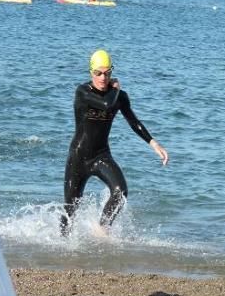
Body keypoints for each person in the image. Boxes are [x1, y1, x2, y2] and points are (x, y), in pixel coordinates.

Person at [60, 49, 169, 237]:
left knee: (120, 191)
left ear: (111, 71)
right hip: (79, 157)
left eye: (107, 73)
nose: (103, 78)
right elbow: (106, 105)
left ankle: (102, 229)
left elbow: (133, 121)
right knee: (71, 208)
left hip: (101, 155)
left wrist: (153, 143)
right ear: (91, 72)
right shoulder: (83, 92)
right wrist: (116, 88)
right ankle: (60, 245)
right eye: (98, 73)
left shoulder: (119, 96)